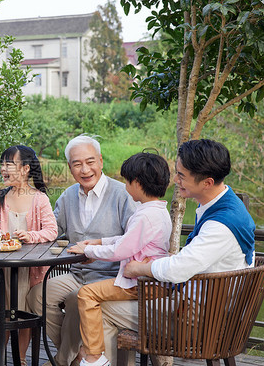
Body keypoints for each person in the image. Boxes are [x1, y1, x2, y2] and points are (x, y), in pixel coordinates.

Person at [101, 139, 256, 366]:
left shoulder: (221, 225)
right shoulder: (228, 205)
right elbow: (194, 260)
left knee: (103, 309)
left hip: (198, 322)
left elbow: (177, 270)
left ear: (207, 182)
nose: (175, 180)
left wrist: (140, 267)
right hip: (215, 313)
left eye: (181, 176)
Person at [26, 135, 136, 366]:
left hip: (110, 278)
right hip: (76, 274)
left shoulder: (122, 194)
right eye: (77, 164)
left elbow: (133, 241)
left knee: (77, 300)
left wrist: (97, 248)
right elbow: (52, 232)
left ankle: (62, 360)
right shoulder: (67, 197)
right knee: (37, 296)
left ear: (101, 161)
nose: (85, 170)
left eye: (90, 161)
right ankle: (76, 355)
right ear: (70, 167)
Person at [68, 152, 171, 366]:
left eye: (127, 181)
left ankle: (94, 357)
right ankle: (97, 355)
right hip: (147, 281)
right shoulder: (157, 210)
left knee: (86, 294)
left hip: (138, 283)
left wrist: (88, 252)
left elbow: (121, 251)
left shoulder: (144, 215)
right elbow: (127, 239)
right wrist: (99, 241)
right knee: (93, 297)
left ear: (138, 183)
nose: (125, 186)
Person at [0, 145, 58, 366]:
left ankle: (22, 360)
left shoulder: (40, 199)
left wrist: (30, 235)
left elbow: (52, 231)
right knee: (3, 315)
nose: (3, 169)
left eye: (9, 164)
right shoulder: (0, 197)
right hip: (4, 269)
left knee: (23, 314)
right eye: (2, 164)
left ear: (25, 168)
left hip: (31, 270)